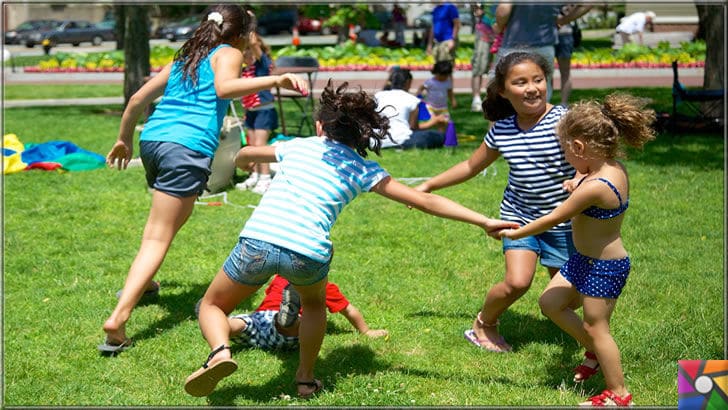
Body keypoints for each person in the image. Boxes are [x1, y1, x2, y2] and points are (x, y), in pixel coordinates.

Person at [184, 80, 517, 398]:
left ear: (321, 127)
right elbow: (425, 201)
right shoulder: (363, 168)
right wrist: (483, 219)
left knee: (212, 305)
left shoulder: (297, 146)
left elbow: (246, 154)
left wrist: (242, 158)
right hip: (308, 251)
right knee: (314, 305)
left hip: (260, 239)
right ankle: (305, 378)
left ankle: (220, 352)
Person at [100, 4, 310, 354]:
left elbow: (138, 98)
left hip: (154, 142)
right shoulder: (228, 52)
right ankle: (118, 320)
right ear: (240, 34)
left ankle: (145, 282)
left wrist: (123, 139)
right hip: (186, 148)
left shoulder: (188, 56)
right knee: (159, 235)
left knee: (160, 224)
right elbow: (226, 89)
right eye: (251, 32)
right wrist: (277, 79)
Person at [415, 52, 580, 353]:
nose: (532, 88)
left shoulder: (565, 120)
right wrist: (429, 184)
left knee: (571, 296)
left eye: (538, 80)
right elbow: (469, 167)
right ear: (503, 91)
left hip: (563, 220)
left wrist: (581, 178)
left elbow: (588, 160)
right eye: (520, 82)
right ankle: (483, 324)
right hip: (518, 217)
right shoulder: (503, 129)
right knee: (517, 282)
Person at [499, 92, 655, 406]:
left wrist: (516, 232)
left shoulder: (598, 184)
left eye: (566, 152)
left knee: (597, 327)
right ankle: (595, 353)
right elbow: (582, 176)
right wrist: (575, 180)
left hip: (605, 266)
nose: (567, 160)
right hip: (583, 259)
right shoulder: (606, 168)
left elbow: (556, 216)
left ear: (579, 147)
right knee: (551, 302)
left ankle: (619, 394)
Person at [220, 275, 387, 352]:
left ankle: (218, 323)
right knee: (300, 326)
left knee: (240, 324)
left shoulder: (278, 278)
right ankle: (288, 320)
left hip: (260, 320)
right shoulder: (322, 286)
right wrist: (365, 331)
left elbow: (269, 294)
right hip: (281, 334)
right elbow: (349, 310)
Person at [494, 2, 589, 101]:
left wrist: (499, 26)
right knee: (540, 91)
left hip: (513, 44)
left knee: (508, 87)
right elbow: (587, 4)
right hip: (544, 45)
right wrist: (563, 20)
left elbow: (503, 11)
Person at [234, 32, 278, 195]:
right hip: (251, 112)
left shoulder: (262, 66)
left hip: (264, 111)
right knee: (252, 146)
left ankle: (265, 179)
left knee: (260, 146)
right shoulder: (245, 70)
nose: (244, 55)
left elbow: (254, 46)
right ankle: (255, 174)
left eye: (247, 51)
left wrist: (251, 38)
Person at [375, 68, 449, 149]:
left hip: (379, 139)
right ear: (408, 82)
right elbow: (414, 128)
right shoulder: (412, 100)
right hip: (402, 140)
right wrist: (434, 121)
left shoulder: (378, 95)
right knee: (439, 136)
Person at [554, 4, 593, 107]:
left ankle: (564, 103)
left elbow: (585, 5)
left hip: (565, 34)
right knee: (545, 72)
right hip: (545, 35)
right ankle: (545, 103)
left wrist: (563, 19)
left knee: (565, 71)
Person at [470, 3, 497, 112]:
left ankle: (492, 98)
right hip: (483, 34)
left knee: (495, 69)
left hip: (499, 34)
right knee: (479, 67)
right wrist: (477, 10)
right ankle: (476, 100)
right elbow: (475, 6)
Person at [416, 60, 456, 133]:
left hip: (443, 107)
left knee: (444, 121)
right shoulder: (430, 82)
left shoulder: (448, 82)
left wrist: (453, 100)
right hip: (430, 107)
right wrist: (418, 95)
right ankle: (425, 133)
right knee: (429, 121)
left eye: (446, 75)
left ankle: (440, 135)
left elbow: (450, 92)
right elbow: (421, 87)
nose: (443, 77)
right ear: (436, 73)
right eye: (441, 75)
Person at [426, 1, 460, 66]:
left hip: (447, 41)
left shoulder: (450, 7)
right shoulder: (436, 9)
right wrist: (429, 44)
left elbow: (457, 24)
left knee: (446, 67)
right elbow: (433, 27)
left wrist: (453, 39)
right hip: (437, 42)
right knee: (438, 67)